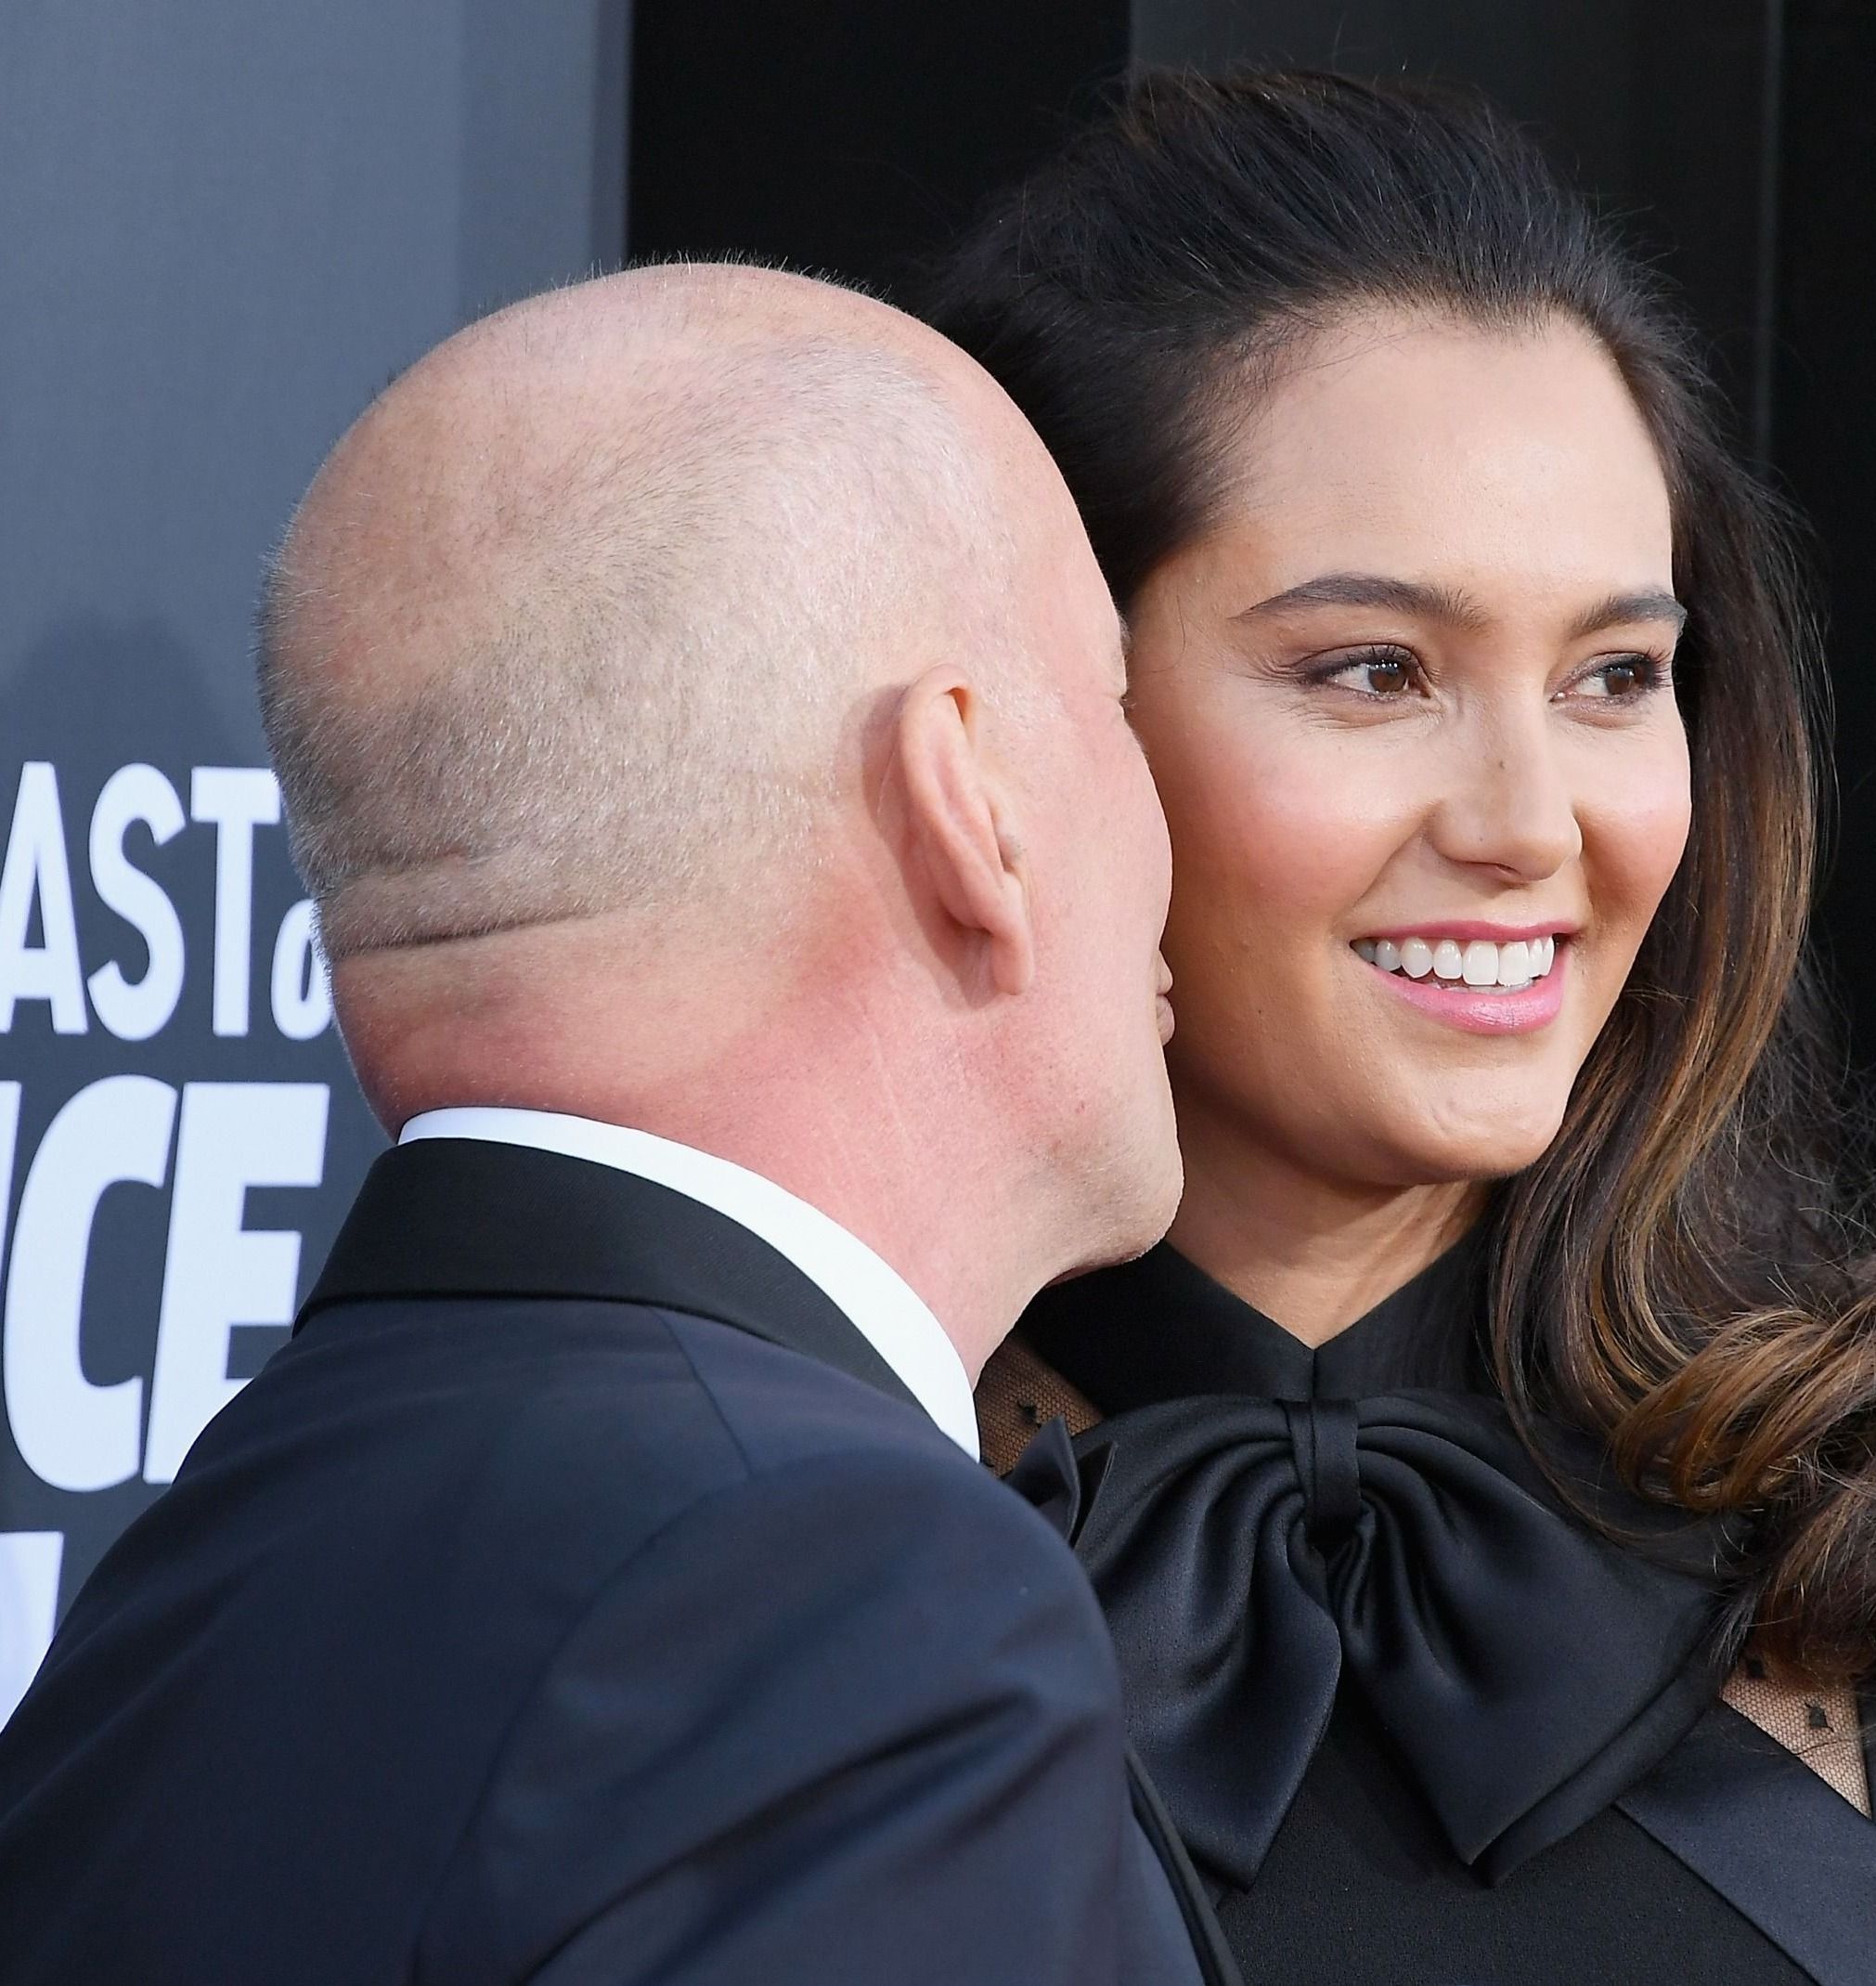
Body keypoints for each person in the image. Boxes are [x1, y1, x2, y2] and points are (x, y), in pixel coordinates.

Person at [0, 265, 1238, 1986]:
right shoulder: (853, 1609)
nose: (1171, 821)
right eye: (1110, 703)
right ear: (970, 804)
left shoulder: (179, 1597)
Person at [927, 70, 1876, 1986]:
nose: (1528, 823)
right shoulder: (765, 1556)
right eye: (1374, 670)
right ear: (1035, 719)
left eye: (1613, 675)